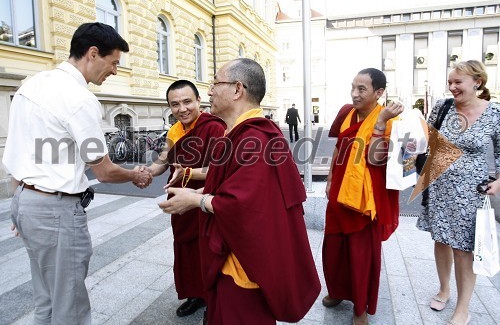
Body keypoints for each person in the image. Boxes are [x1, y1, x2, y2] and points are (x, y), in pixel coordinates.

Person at [2, 22, 153, 325]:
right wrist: (136, 174)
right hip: (55, 212)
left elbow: (17, 152)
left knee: (46, 297)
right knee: (69, 305)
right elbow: (106, 171)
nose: (113, 72)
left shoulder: (31, 84)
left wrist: (23, 206)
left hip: (25, 200)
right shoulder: (80, 98)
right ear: (92, 53)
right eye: (113, 63)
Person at [158, 58, 321, 324]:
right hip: (234, 251)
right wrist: (193, 177)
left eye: (215, 83)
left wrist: (195, 199)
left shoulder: (255, 138)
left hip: (243, 264)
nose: (209, 91)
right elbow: (232, 179)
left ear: (237, 89)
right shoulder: (241, 133)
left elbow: (243, 204)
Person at [416, 60, 500, 325]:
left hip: (472, 190)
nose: (452, 87)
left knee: (464, 249)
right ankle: (443, 289)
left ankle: (463, 308)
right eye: (450, 82)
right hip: (439, 186)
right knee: (440, 240)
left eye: (457, 82)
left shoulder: (495, 112)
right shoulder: (442, 107)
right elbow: (426, 140)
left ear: (477, 82)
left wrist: (498, 181)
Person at [322, 68, 403, 325]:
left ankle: (360, 307)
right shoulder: (347, 112)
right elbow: (339, 147)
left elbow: (376, 159)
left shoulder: (390, 120)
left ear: (378, 93)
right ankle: (337, 291)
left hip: (365, 198)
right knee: (333, 248)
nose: (354, 94)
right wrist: (330, 178)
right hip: (339, 191)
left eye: (362, 89)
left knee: (361, 255)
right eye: (353, 88)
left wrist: (380, 124)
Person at [141, 80, 226, 317]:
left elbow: (222, 169)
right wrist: (148, 171)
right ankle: (196, 295)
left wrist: (189, 172)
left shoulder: (214, 128)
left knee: (208, 250)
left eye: (187, 101)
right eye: (175, 104)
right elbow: (164, 160)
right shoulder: (175, 129)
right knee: (186, 250)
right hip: (180, 202)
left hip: (204, 200)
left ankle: (214, 301)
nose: (182, 109)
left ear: (199, 101)